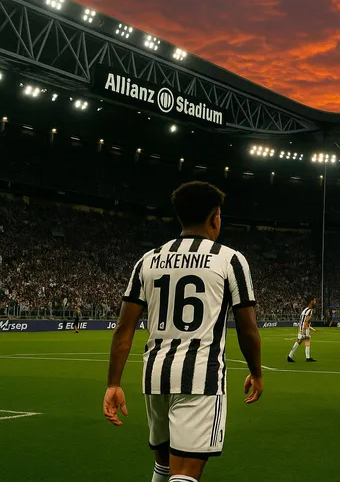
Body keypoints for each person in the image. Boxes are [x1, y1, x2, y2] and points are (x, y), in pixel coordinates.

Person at [102, 181, 263, 482]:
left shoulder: (147, 260)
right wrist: (256, 372)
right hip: (200, 376)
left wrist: (113, 383)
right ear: (215, 217)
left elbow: (124, 329)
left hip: (155, 376)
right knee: (186, 473)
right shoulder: (230, 259)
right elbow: (248, 328)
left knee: (164, 466)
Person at [287, 298, 318, 362]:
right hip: (304, 328)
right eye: (314, 301)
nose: (315, 302)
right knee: (306, 340)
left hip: (301, 327)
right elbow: (306, 321)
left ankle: (290, 356)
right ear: (311, 301)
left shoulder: (305, 309)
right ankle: (307, 358)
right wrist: (304, 329)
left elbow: (302, 320)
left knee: (301, 341)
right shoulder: (310, 311)